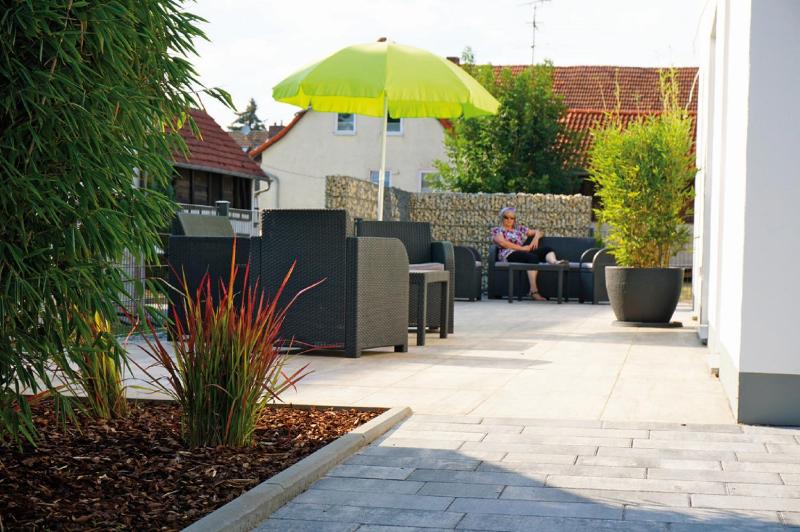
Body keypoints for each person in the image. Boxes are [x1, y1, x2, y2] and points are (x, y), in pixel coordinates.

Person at [491, 207, 568, 301]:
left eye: (512, 218)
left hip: (523, 252)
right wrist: (522, 248)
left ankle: (555, 262)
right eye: (506, 217)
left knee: (547, 249)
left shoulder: (519, 229)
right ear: (501, 218)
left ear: (515, 219)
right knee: (532, 258)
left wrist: (536, 238)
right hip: (508, 254)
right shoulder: (497, 230)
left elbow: (539, 232)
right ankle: (533, 291)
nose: (509, 220)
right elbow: (503, 243)